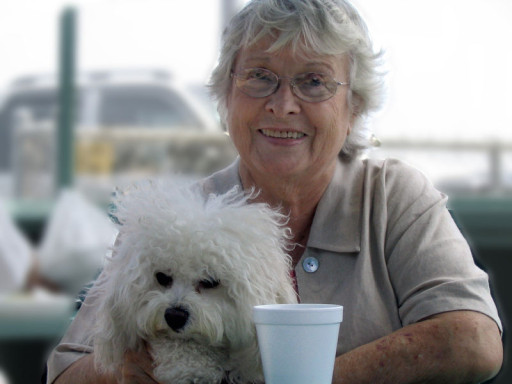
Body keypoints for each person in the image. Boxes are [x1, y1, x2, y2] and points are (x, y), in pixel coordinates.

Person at [47, 0, 503, 383]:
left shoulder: (394, 198)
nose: (283, 104)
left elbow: (475, 340)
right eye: (259, 76)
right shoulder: (168, 224)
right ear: (226, 96)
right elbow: (64, 371)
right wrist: (127, 370)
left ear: (354, 106)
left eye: (314, 81)